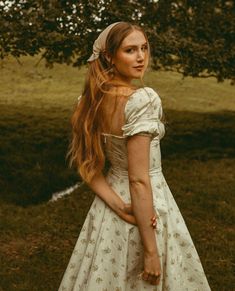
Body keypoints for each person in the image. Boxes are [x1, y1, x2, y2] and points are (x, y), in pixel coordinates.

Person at [58, 22, 211, 291]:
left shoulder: (89, 100)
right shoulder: (143, 100)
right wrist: (151, 252)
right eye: (130, 50)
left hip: (111, 201)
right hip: (145, 204)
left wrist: (115, 205)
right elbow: (139, 180)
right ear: (109, 56)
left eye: (144, 48)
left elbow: (88, 166)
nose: (141, 57)